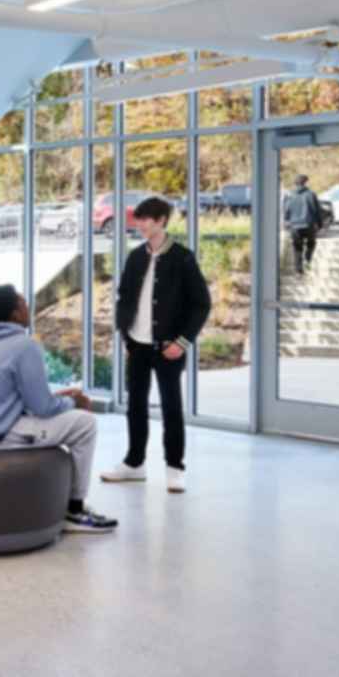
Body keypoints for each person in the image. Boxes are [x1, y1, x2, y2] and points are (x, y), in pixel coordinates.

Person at [0, 285, 117, 534]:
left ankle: (72, 504)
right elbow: (43, 407)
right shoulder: (24, 346)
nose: (29, 307)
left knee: (64, 412)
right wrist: (73, 402)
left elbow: (15, 395)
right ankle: (75, 509)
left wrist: (58, 398)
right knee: (85, 424)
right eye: (24, 303)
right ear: (15, 314)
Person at [102, 197, 210, 494]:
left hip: (169, 348)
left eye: (145, 219)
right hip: (137, 346)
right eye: (137, 219)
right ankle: (134, 464)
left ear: (162, 220)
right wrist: (126, 334)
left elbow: (202, 304)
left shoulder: (183, 258)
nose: (139, 224)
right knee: (135, 406)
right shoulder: (135, 257)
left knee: (171, 408)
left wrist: (183, 341)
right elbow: (124, 298)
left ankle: (175, 468)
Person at [282, 174, 323, 276]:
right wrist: (319, 224)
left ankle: (298, 270)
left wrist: (287, 222)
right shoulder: (311, 194)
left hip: (295, 226)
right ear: (305, 183)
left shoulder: (289, 195)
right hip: (308, 225)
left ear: (295, 184)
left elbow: (286, 211)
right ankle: (307, 259)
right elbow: (317, 210)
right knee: (311, 243)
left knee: (297, 248)